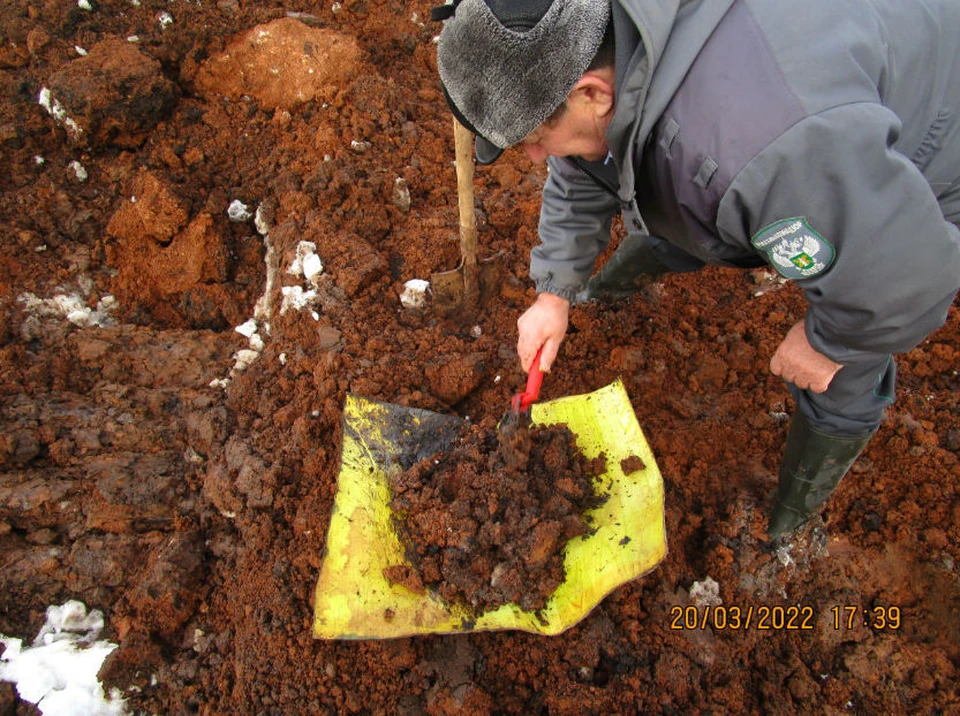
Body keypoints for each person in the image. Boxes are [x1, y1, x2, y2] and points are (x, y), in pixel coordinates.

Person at [431, 0, 960, 538]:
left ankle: (792, 515)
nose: (535, 158)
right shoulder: (602, 46)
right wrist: (554, 291)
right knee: (685, 198)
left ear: (592, 93)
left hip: (933, 129)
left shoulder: (759, 150)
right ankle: (616, 283)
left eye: (535, 142)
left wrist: (832, 343)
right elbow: (585, 167)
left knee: (849, 348)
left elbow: (904, 281)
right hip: (815, 91)